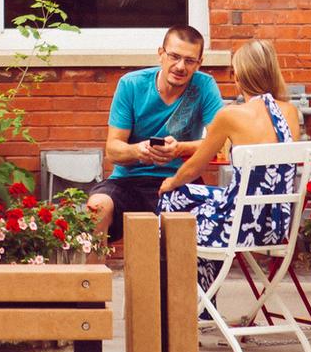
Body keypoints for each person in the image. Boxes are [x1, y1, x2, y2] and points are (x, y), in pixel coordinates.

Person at [157, 40, 305, 291]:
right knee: (196, 201)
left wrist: (169, 182)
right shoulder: (290, 111)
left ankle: (194, 299)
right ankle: (204, 300)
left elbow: (194, 168)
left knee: (173, 198)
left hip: (239, 227)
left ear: (239, 76)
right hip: (276, 225)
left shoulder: (231, 115)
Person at [87, 25, 223, 241]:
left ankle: (186, 275)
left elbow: (221, 142)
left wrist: (180, 149)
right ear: (161, 54)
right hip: (129, 180)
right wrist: (138, 151)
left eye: (189, 61)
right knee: (97, 207)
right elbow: (113, 150)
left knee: (210, 219)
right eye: (174, 56)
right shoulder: (132, 84)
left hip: (179, 180)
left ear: (199, 63)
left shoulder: (204, 86)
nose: (180, 66)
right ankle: (90, 276)